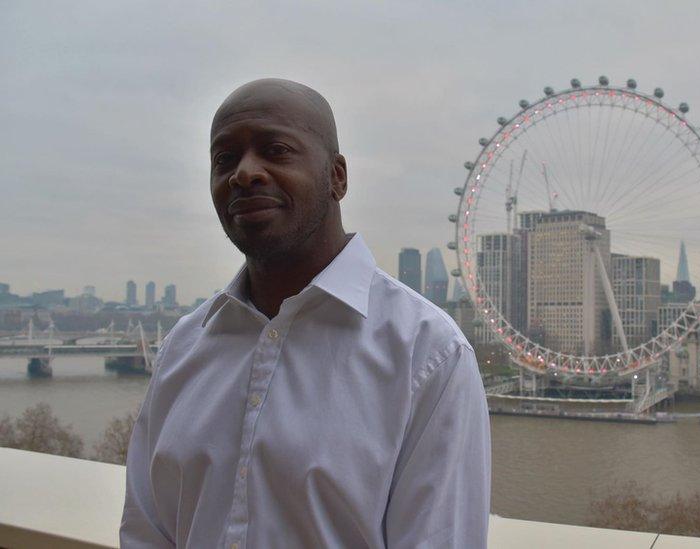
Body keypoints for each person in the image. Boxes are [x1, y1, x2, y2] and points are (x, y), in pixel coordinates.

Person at [121, 78, 491, 548]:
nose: (244, 173)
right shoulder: (182, 348)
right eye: (224, 159)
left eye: (275, 150)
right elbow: (145, 531)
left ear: (337, 176)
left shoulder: (428, 354)